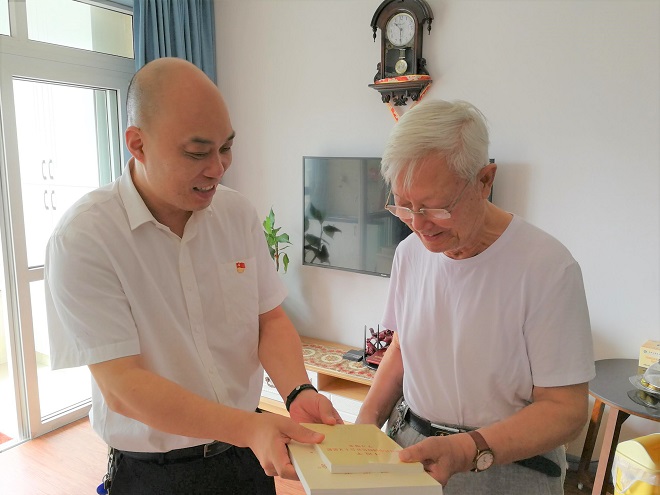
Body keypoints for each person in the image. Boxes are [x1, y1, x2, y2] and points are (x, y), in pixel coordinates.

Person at [44, 57, 341, 495]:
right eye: (198, 153)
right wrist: (247, 427)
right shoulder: (86, 237)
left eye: (226, 148)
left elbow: (269, 319)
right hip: (154, 474)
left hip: (244, 457)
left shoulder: (236, 213)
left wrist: (297, 391)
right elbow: (123, 386)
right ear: (138, 144)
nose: (218, 168)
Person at [355, 99, 595, 495]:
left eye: (435, 208)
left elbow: (566, 410)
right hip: (411, 444)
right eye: (404, 206)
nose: (419, 225)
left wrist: (467, 450)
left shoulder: (546, 267)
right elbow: (401, 349)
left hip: (510, 461)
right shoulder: (410, 254)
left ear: (485, 181)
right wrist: (363, 425)